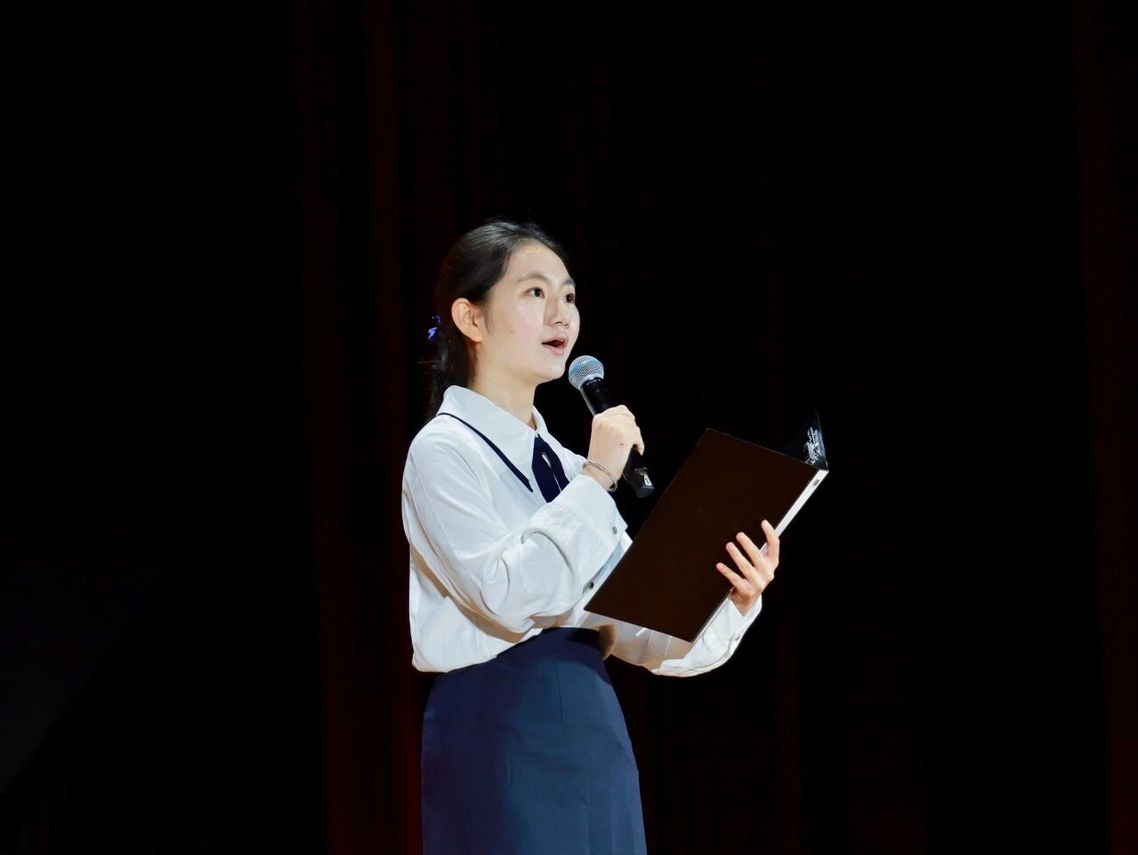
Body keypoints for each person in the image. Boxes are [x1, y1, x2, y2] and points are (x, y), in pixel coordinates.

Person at [401, 218, 780, 855]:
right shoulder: (444, 450)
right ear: (470, 317)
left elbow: (640, 628)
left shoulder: (572, 468)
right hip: (498, 719)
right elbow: (505, 595)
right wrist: (598, 478)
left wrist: (731, 599)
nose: (562, 315)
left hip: (592, 723)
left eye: (569, 296)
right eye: (535, 292)